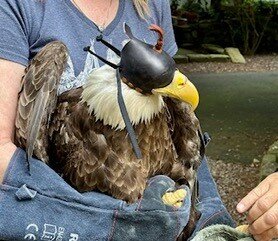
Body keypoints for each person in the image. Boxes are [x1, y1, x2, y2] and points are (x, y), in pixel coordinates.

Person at [0, 0, 276, 240]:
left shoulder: (151, 5)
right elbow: (4, 153)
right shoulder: (20, 6)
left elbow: (187, 150)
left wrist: (210, 221)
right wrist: (109, 225)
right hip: (61, 219)